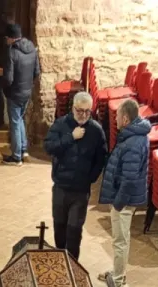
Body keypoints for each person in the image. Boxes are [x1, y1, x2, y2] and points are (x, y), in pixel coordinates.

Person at [43, 91, 107, 261]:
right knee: (60, 228)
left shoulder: (95, 130)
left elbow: (101, 157)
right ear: (73, 108)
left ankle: (72, 266)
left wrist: (90, 178)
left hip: (80, 190)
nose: (84, 115)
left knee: (74, 231)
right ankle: (60, 264)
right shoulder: (61, 125)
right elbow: (49, 147)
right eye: (80, 111)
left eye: (88, 112)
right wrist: (70, 137)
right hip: (61, 187)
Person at [99, 99, 151, 287]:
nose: (116, 119)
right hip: (123, 198)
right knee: (120, 239)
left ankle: (118, 282)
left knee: (120, 240)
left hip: (124, 200)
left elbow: (129, 178)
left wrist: (118, 203)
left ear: (126, 119)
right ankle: (118, 273)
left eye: (118, 116)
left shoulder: (133, 143)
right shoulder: (134, 135)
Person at [0, 23, 40, 165]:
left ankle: (16, 157)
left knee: (15, 122)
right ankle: (23, 150)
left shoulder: (11, 52)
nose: (6, 40)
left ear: (11, 38)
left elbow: (8, 78)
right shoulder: (32, 49)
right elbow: (36, 72)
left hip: (15, 93)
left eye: (6, 38)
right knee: (21, 120)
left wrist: (5, 89)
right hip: (26, 92)